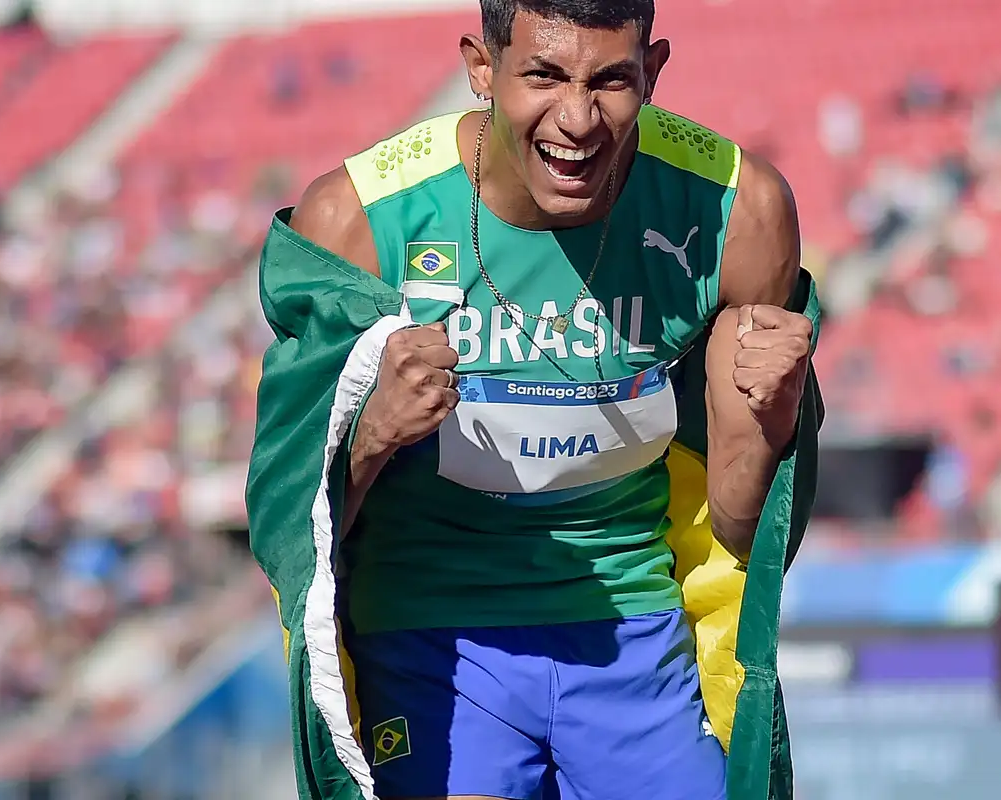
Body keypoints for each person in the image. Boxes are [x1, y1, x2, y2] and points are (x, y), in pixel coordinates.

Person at [263, 1, 814, 798]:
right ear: (481, 67)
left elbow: (736, 526)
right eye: (544, 75)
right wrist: (372, 432)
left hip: (634, 637)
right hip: (429, 640)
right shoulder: (357, 220)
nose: (578, 120)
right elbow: (292, 534)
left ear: (653, 71)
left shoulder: (736, 211)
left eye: (613, 81)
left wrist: (774, 414)